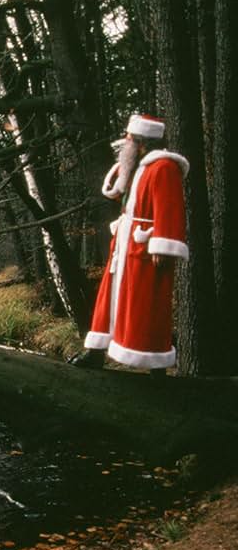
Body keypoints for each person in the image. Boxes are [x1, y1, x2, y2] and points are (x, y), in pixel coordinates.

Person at [69, 114, 189, 373]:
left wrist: (162, 246)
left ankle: (156, 366)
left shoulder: (164, 167)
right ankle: (97, 353)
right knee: (109, 300)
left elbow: (170, 208)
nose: (124, 143)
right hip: (125, 246)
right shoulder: (139, 166)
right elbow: (114, 190)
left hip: (146, 249)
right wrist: (124, 167)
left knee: (148, 305)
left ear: (141, 142)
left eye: (129, 139)